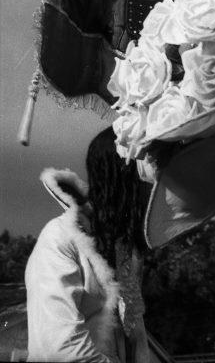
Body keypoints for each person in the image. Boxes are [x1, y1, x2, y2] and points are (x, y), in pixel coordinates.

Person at [25, 127, 151, 363]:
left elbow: (137, 342)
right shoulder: (58, 238)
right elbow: (59, 350)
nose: (152, 189)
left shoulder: (124, 251)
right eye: (146, 178)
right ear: (124, 183)